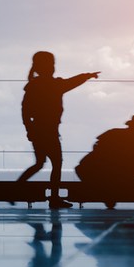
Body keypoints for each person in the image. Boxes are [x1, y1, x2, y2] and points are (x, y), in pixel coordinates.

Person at [17, 51, 99, 209]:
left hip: (38, 130)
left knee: (40, 163)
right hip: (49, 131)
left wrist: (29, 129)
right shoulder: (54, 85)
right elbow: (72, 82)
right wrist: (87, 75)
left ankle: (18, 187)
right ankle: (53, 197)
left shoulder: (33, 86)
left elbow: (25, 111)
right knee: (56, 163)